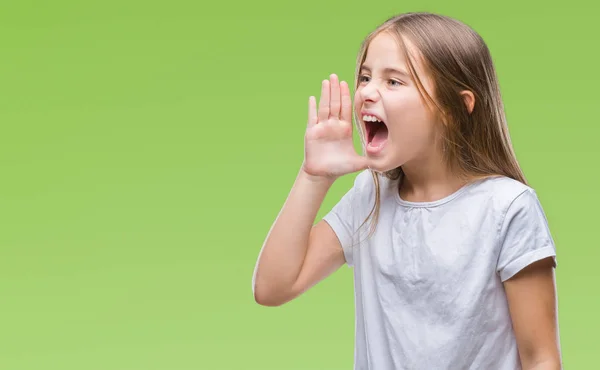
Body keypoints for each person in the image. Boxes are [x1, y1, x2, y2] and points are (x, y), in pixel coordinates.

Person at [251, 12, 562, 370]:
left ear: (455, 108)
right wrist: (314, 176)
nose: (366, 91)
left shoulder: (508, 208)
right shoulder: (371, 195)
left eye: (394, 81)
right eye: (365, 77)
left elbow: (540, 358)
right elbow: (272, 288)